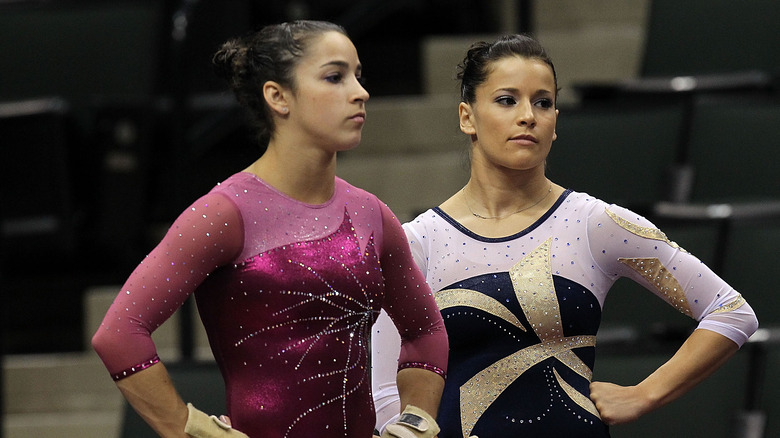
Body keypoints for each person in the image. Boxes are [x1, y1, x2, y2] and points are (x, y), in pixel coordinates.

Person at [371, 34, 758, 438]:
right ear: (467, 116)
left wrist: (645, 394)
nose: (528, 116)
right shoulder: (417, 242)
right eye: (507, 100)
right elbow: (383, 394)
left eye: (543, 102)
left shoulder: (594, 223)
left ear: (556, 121)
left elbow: (730, 310)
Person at [92, 20, 448, 438]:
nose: (360, 91)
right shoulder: (225, 213)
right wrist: (193, 429)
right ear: (278, 97)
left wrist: (415, 420)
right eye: (335, 77)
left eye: (358, 75)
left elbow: (425, 330)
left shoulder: (371, 214)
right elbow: (119, 334)